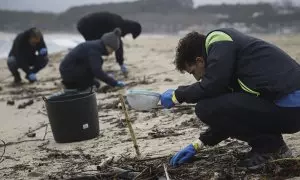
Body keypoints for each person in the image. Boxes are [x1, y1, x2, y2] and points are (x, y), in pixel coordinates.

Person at [161, 28, 300, 169]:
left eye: (193, 72)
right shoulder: (233, 63)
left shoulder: (219, 41)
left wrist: (178, 95)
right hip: (289, 112)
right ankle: (275, 147)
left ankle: (270, 148)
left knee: (205, 108)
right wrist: (198, 144)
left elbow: (212, 85)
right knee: (213, 106)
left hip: (291, 107)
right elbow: (232, 115)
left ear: (199, 61)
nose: (197, 78)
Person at [59, 28, 125, 91]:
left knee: (95, 81)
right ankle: (70, 86)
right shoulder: (95, 51)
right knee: (95, 84)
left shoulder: (95, 46)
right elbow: (97, 71)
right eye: (112, 50)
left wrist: (107, 77)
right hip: (68, 72)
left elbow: (92, 67)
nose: (111, 53)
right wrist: (114, 83)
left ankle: (70, 85)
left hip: (69, 69)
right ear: (108, 45)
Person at [77, 12, 142, 76]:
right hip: (86, 24)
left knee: (95, 46)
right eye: (129, 33)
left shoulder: (118, 21)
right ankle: (89, 68)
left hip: (85, 24)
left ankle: (88, 66)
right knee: (93, 47)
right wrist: (121, 64)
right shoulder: (117, 24)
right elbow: (118, 46)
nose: (125, 35)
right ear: (130, 29)